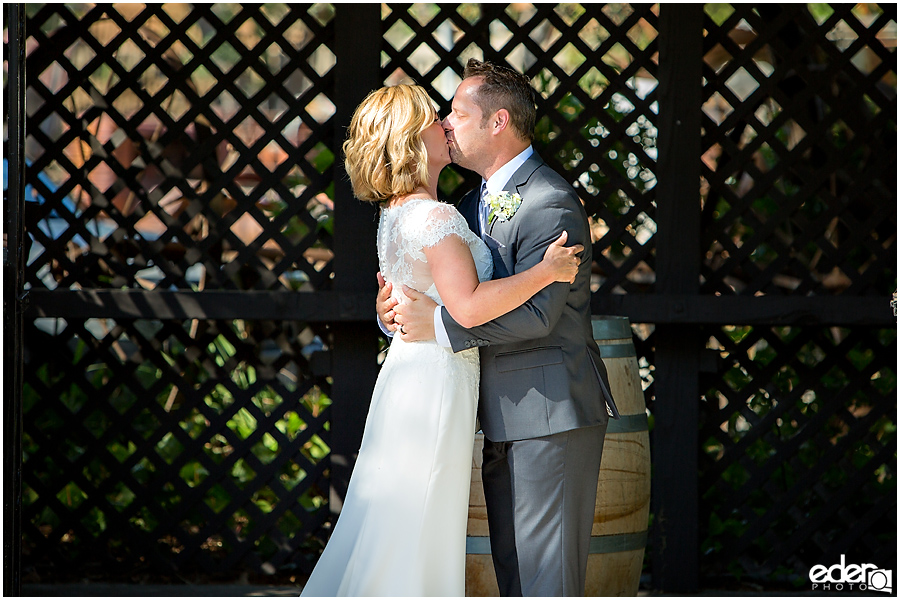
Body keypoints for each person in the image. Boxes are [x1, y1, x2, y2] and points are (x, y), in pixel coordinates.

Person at [301, 84, 584, 596]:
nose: (446, 124)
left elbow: (416, 296)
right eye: (437, 117)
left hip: (418, 378)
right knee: (421, 515)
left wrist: (399, 318)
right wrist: (546, 272)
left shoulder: (403, 212)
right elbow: (468, 305)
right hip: (434, 385)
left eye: (452, 114)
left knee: (402, 513)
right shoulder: (436, 215)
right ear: (412, 140)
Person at [379, 60, 620, 596]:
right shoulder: (465, 203)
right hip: (494, 413)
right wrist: (393, 310)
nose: (444, 124)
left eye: (457, 114)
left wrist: (439, 327)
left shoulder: (549, 202)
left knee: (545, 580)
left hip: (548, 411)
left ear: (498, 122)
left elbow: (539, 315)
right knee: (513, 575)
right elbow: (441, 284)